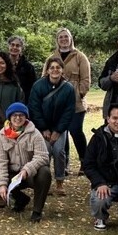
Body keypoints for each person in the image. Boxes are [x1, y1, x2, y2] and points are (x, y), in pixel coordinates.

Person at [0, 103, 52, 222]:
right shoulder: (2, 135)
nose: (18, 118)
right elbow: (0, 161)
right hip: (13, 174)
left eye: (21, 115)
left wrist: (27, 169)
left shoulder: (34, 133)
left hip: (30, 174)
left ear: (26, 117)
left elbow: (43, 156)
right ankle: (21, 200)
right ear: (9, 117)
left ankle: (37, 211)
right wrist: (2, 184)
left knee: (45, 172)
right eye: (14, 115)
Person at [28, 57, 76, 195]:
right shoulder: (38, 86)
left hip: (59, 128)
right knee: (45, 153)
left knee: (59, 151)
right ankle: (44, 183)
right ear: (48, 70)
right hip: (42, 128)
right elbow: (34, 108)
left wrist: (58, 130)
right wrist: (43, 128)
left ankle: (60, 182)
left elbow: (69, 111)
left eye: (58, 67)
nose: (55, 70)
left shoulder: (68, 88)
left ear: (62, 70)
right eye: (52, 67)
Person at [48, 28, 91, 175]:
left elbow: (85, 80)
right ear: (57, 40)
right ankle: (64, 164)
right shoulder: (52, 57)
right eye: (61, 37)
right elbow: (44, 78)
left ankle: (85, 162)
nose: (64, 39)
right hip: (56, 104)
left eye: (66, 37)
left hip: (76, 104)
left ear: (71, 39)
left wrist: (78, 95)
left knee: (75, 131)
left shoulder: (80, 57)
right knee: (61, 132)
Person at [6, 35, 38, 103]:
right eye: (12, 45)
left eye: (18, 46)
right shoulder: (2, 64)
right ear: (8, 46)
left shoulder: (28, 67)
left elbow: (33, 88)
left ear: (21, 48)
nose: (14, 47)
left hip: (22, 102)